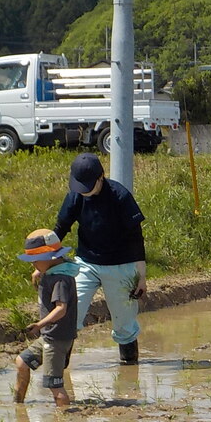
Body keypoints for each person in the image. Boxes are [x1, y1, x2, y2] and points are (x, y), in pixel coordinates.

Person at [53, 153, 147, 365]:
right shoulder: (76, 195)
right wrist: (44, 262)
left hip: (121, 265)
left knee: (124, 324)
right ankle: (58, 370)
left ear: (100, 177)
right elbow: (60, 229)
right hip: (86, 263)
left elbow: (136, 239)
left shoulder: (120, 196)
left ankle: (129, 371)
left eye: (88, 186)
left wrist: (141, 277)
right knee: (69, 312)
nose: (84, 191)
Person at [15, 229, 79, 407]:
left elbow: (61, 309)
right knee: (22, 362)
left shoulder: (60, 279)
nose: (33, 264)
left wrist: (39, 324)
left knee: (54, 385)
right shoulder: (55, 270)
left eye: (35, 260)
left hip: (56, 338)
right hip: (49, 336)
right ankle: (18, 405)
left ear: (50, 257)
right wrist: (39, 272)